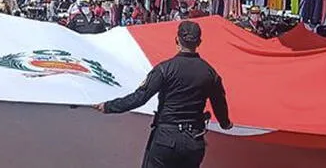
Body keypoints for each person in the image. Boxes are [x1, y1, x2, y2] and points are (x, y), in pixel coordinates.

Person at [93, 21, 232, 168]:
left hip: (166, 138)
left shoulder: (164, 69)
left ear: (177, 40)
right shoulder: (209, 73)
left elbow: (139, 98)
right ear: (199, 42)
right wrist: (225, 123)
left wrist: (108, 106)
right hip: (194, 140)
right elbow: (219, 103)